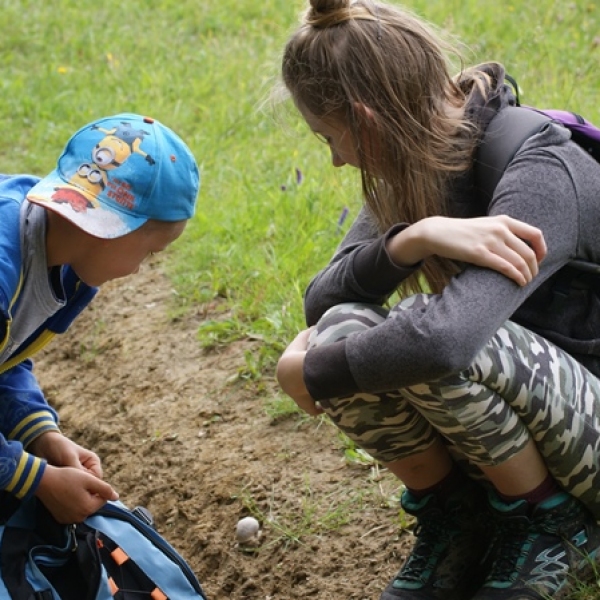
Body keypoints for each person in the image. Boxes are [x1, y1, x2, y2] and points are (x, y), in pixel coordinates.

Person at [275, 1, 600, 599]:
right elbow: (323, 304)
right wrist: (409, 240)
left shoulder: (543, 172)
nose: (337, 160)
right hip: (547, 421)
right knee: (344, 327)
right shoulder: (420, 163)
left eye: (331, 138)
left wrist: (306, 373)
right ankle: (459, 520)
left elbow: (447, 342)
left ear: (366, 121)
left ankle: (553, 525)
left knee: (425, 333)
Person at [0, 113, 199, 525]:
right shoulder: (5, 269)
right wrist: (34, 477)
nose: (139, 269)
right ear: (112, 228)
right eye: (150, 253)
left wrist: (41, 433)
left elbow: (7, 358)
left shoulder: (68, 269)